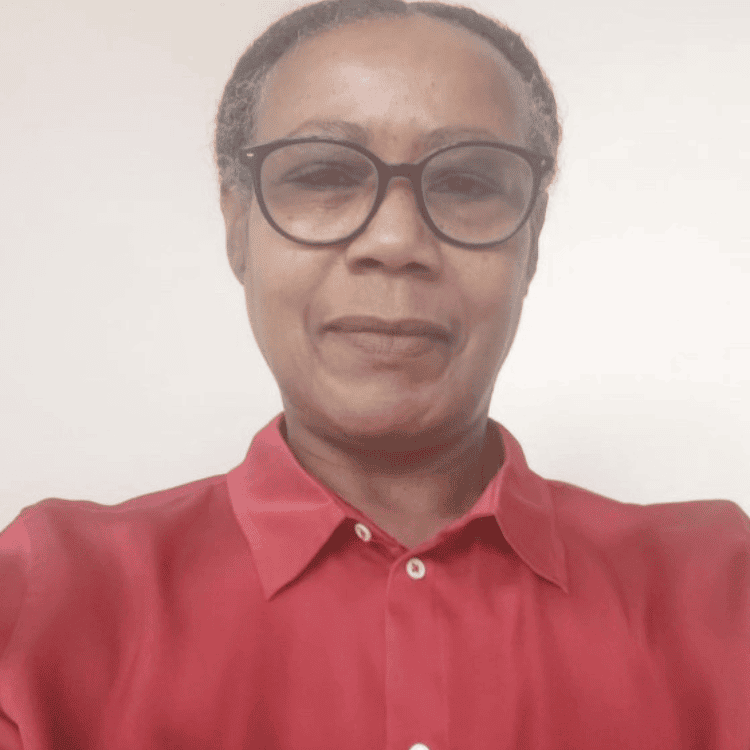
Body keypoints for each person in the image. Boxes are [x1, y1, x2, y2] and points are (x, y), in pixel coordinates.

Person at [0, 0, 747, 747]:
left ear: (534, 242)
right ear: (237, 228)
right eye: (325, 173)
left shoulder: (719, 590)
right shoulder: (45, 598)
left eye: (466, 184)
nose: (395, 241)